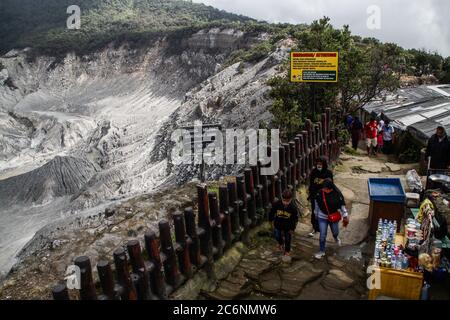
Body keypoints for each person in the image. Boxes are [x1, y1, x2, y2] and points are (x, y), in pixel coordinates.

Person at [313, 179, 350, 259]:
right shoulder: (319, 193)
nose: (325, 190)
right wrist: (316, 213)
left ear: (331, 188)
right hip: (322, 217)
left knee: (335, 232)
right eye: (324, 188)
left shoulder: (337, 194)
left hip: (333, 217)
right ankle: (322, 251)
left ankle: (336, 237)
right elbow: (316, 203)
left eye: (327, 189)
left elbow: (342, 206)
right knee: (322, 235)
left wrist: (345, 215)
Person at [269, 189, 299, 257]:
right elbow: (272, 212)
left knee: (288, 239)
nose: (285, 202)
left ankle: (287, 251)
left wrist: (292, 228)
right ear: (282, 198)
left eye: (287, 201)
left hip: (288, 227)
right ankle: (280, 243)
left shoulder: (293, 207)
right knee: (277, 236)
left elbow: (295, 219)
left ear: (291, 199)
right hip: (278, 224)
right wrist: (271, 221)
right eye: (284, 200)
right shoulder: (277, 204)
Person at [308, 157, 333, 237]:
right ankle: (315, 227)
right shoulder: (314, 172)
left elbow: (330, 185)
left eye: (320, 164)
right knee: (314, 212)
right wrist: (310, 194)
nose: (319, 165)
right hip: (314, 196)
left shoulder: (328, 173)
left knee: (323, 212)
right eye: (317, 164)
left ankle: (322, 226)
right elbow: (311, 184)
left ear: (324, 164)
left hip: (324, 196)